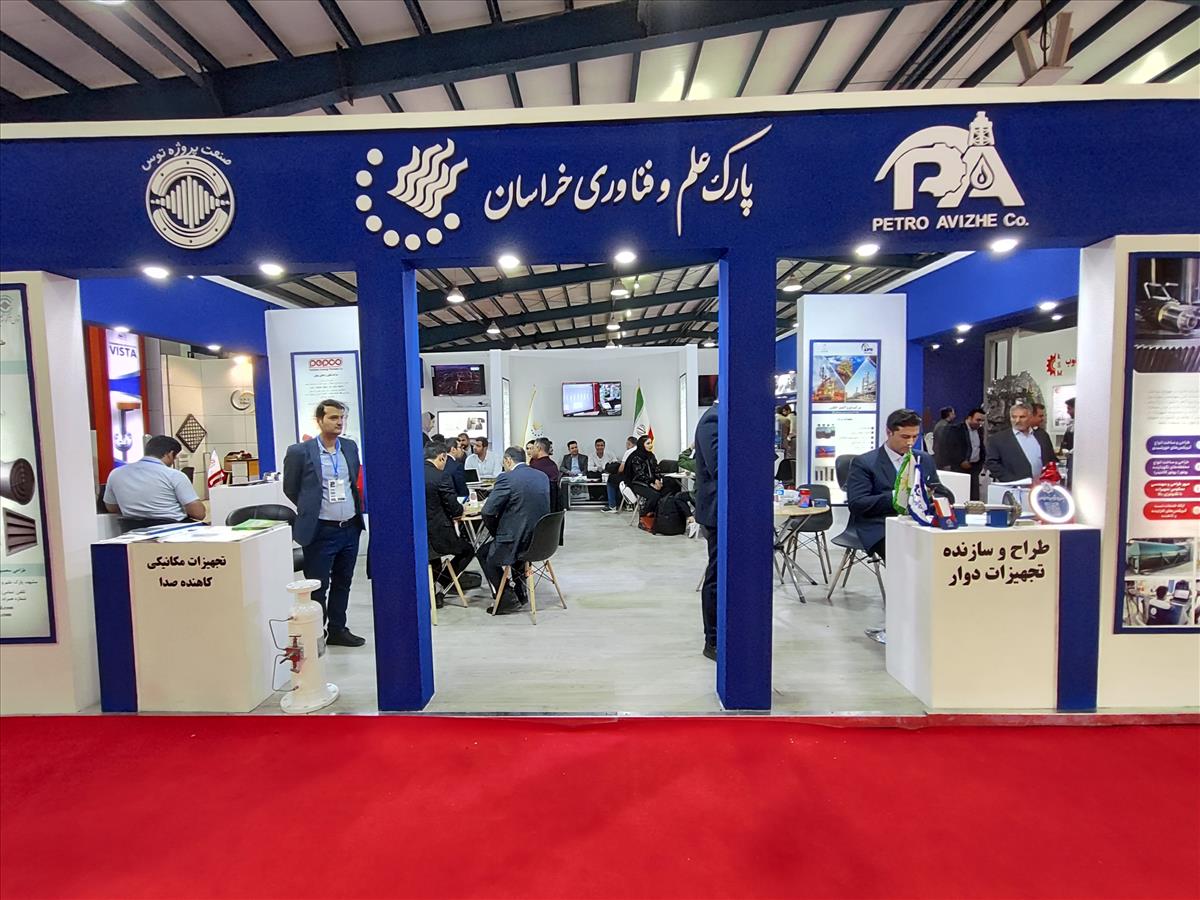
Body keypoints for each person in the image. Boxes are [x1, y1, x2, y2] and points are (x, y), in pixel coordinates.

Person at [283, 399, 366, 647]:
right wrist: (310, 509)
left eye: (342, 418)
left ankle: (338, 629)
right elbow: (291, 488)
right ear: (319, 420)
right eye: (333, 417)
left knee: (344, 582)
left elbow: (352, 483)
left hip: (349, 528)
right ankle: (316, 633)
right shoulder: (300, 452)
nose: (339, 422)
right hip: (320, 530)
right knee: (318, 586)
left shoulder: (349, 447)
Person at [846, 408, 945, 563]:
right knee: (908, 559)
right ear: (889, 432)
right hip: (881, 525)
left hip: (921, 523)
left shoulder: (924, 459)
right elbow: (858, 504)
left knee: (942, 553)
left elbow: (941, 492)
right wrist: (897, 496)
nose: (910, 442)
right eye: (905, 437)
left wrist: (930, 497)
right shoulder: (864, 463)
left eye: (915, 437)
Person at [477, 447, 550, 614]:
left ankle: (506, 596)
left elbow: (487, 511)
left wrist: (495, 532)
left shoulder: (507, 478)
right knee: (515, 542)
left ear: (508, 460)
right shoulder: (542, 476)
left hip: (515, 541)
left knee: (483, 553)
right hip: (540, 542)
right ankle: (521, 589)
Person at [103, 435, 206, 526]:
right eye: (174, 457)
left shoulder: (115, 473)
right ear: (170, 454)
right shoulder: (174, 475)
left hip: (133, 531)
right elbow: (199, 514)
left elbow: (111, 508)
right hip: (174, 531)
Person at [422, 441, 475, 608]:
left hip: (419, 535)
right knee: (468, 550)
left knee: (433, 557)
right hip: (439, 535)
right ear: (442, 457)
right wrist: (462, 509)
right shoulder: (441, 476)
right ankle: (440, 587)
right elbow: (454, 509)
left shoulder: (413, 474)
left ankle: (432, 590)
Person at [693, 402, 718, 661]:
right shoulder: (713, 420)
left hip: (738, 512)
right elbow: (720, 468)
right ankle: (713, 640)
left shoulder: (726, 418)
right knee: (717, 575)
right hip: (718, 512)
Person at [986, 402, 1056, 483]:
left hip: (1042, 485)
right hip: (1013, 486)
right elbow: (992, 463)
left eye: (1022, 417)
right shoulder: (998, 439)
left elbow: (1051, 459)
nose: (1017, 421)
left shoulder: (1042, 436)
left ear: (1030, 417)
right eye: (1014, 417)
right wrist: (1012, 480)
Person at [935, 406, 986, 501]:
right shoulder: (955, 429)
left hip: (974, 468)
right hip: (958, 468)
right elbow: (948, 448)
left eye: (982, 421)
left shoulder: (980, 430)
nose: (980, 423)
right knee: (960, 496)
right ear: (970, 418)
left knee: (974, 497)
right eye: (978, 420)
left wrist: (980, 462)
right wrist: (960, 461)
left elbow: (980, 447)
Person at [624, 435, 679, 516]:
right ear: (642, 444)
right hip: (637, 483)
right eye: (648, 443)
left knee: (669, 489)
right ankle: (644, 513)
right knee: (655, 495)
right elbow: (640, 474)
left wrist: (658, 480)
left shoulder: (651, 455)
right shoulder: (635, 457)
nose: (651, 445)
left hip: (651, 481)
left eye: (651, 443)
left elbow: (656, 469)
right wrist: (652, 483)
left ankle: (659, 513)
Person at [529, 437, 562, 505]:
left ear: (538, 448)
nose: (531, 450)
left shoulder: (534, 466)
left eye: (533, 448)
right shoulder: (553, 465)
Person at [589, 438, 619, 511]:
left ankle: (608, 500)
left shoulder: (610, 454)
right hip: (597, 473)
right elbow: (589, 468)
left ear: (604, 446)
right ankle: (595, 497)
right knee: (590, 474)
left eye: (601, 445)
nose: (600, 447)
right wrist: (597, 468)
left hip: (608, 473)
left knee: (614, 477)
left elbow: (616, 464)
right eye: (598, 445)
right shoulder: (591, 455)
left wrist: (606, 468)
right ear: (595, 446)